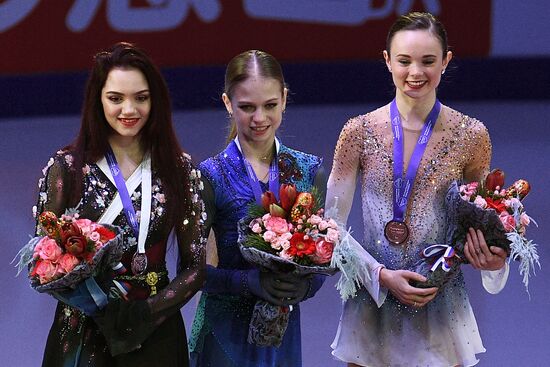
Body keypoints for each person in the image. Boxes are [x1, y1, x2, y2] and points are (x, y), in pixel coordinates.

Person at [326, 12, 509, 367]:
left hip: (439, 301)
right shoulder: (358, 132)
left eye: (427, 61)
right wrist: (380, 276)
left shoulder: (472, 136)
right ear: (387, 61)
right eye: (404, 61)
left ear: (446, 61)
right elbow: (330, 225)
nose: (415, 72)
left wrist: (493, 260)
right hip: (373, 304)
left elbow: (483, 219)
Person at [34, 42, 206, 366]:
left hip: (155, 330)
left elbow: (195, 267)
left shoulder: (181, 171)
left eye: (141, 97)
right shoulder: (66, 170)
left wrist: (143, 316)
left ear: (156, 101)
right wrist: (96, 306)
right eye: (116, 98)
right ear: (97, 100)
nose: (129, 110)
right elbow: (42, 261)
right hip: (82, 334)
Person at [188, 50, 326, 367]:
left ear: (285, 98)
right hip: (224, 335)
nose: (259, 118)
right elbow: (192, 271)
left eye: (270, 106)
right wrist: (250, 282)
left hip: (283, 333)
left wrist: (305, 286)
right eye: (247, 107)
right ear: (227, 103)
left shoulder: (308, 170)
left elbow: (323, 254)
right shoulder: (210, 175)